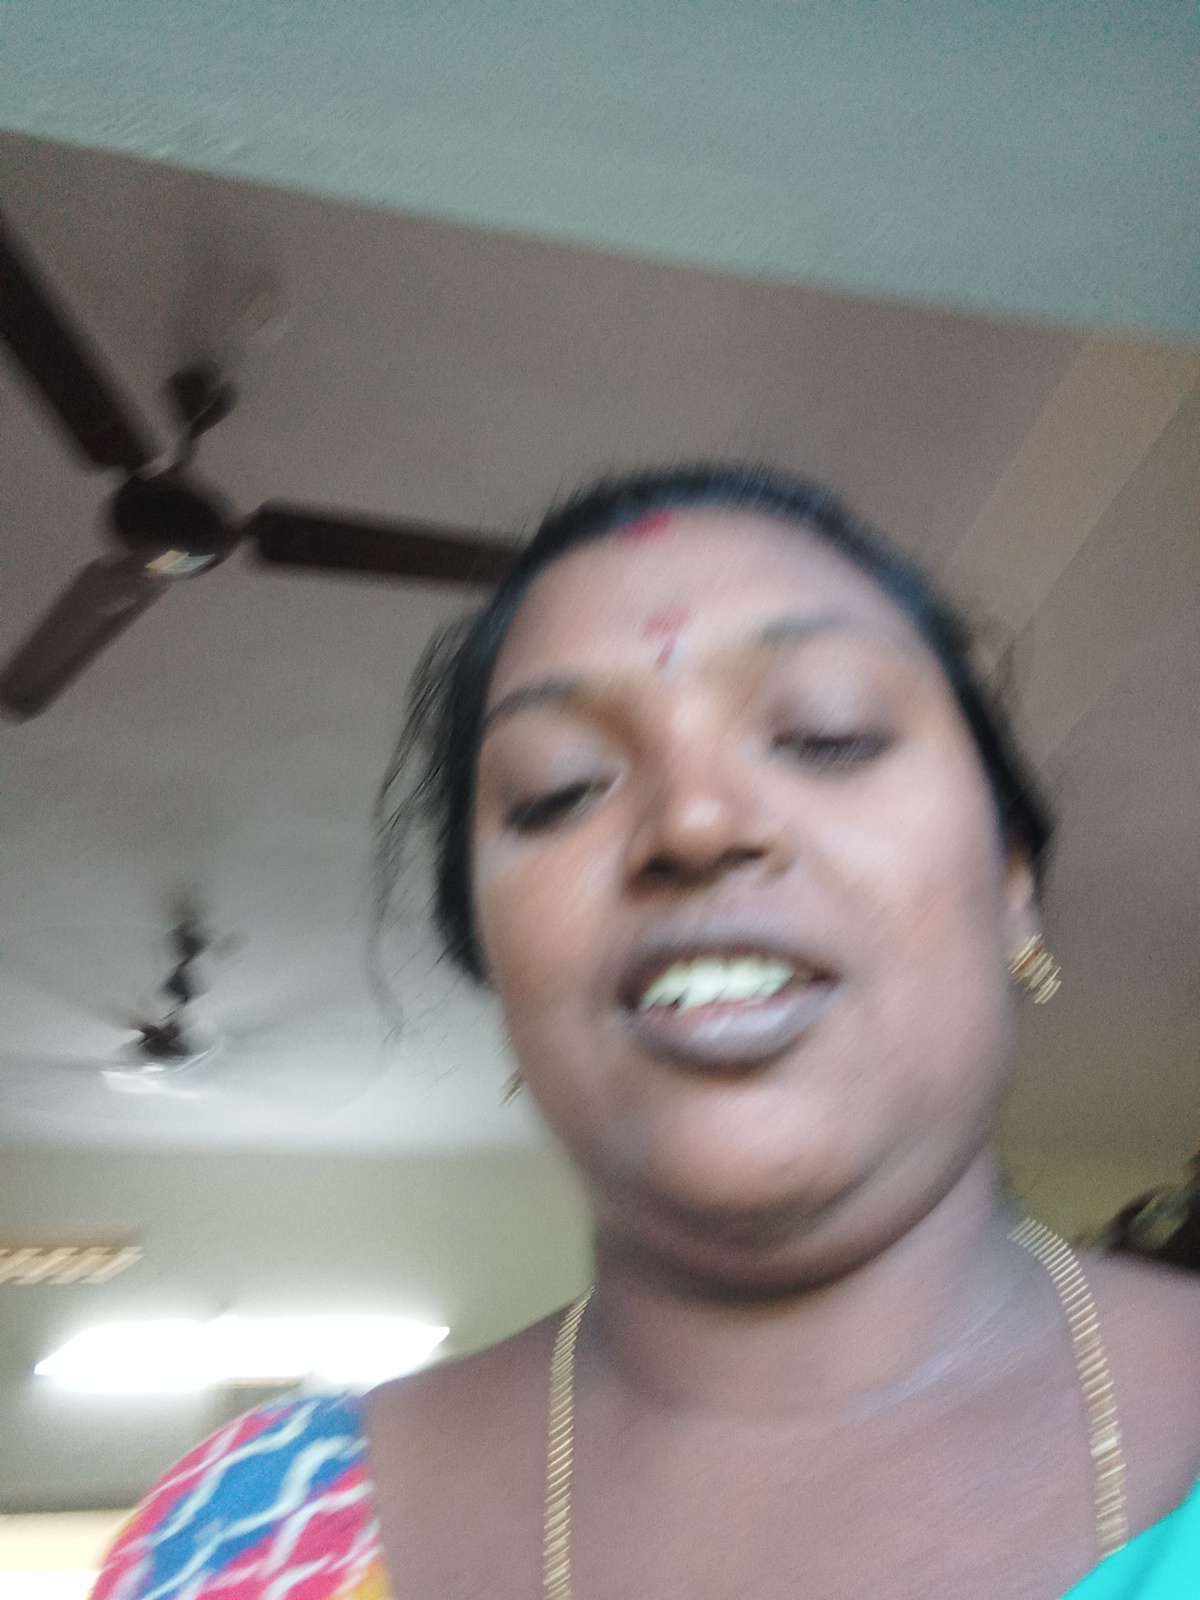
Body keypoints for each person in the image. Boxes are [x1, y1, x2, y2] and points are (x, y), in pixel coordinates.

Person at [94, 465, 1200, 1599]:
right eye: (560, 789)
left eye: (826, 735)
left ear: (1011, 879)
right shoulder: (240, 1541)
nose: (695, 821)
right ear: (497, 964)